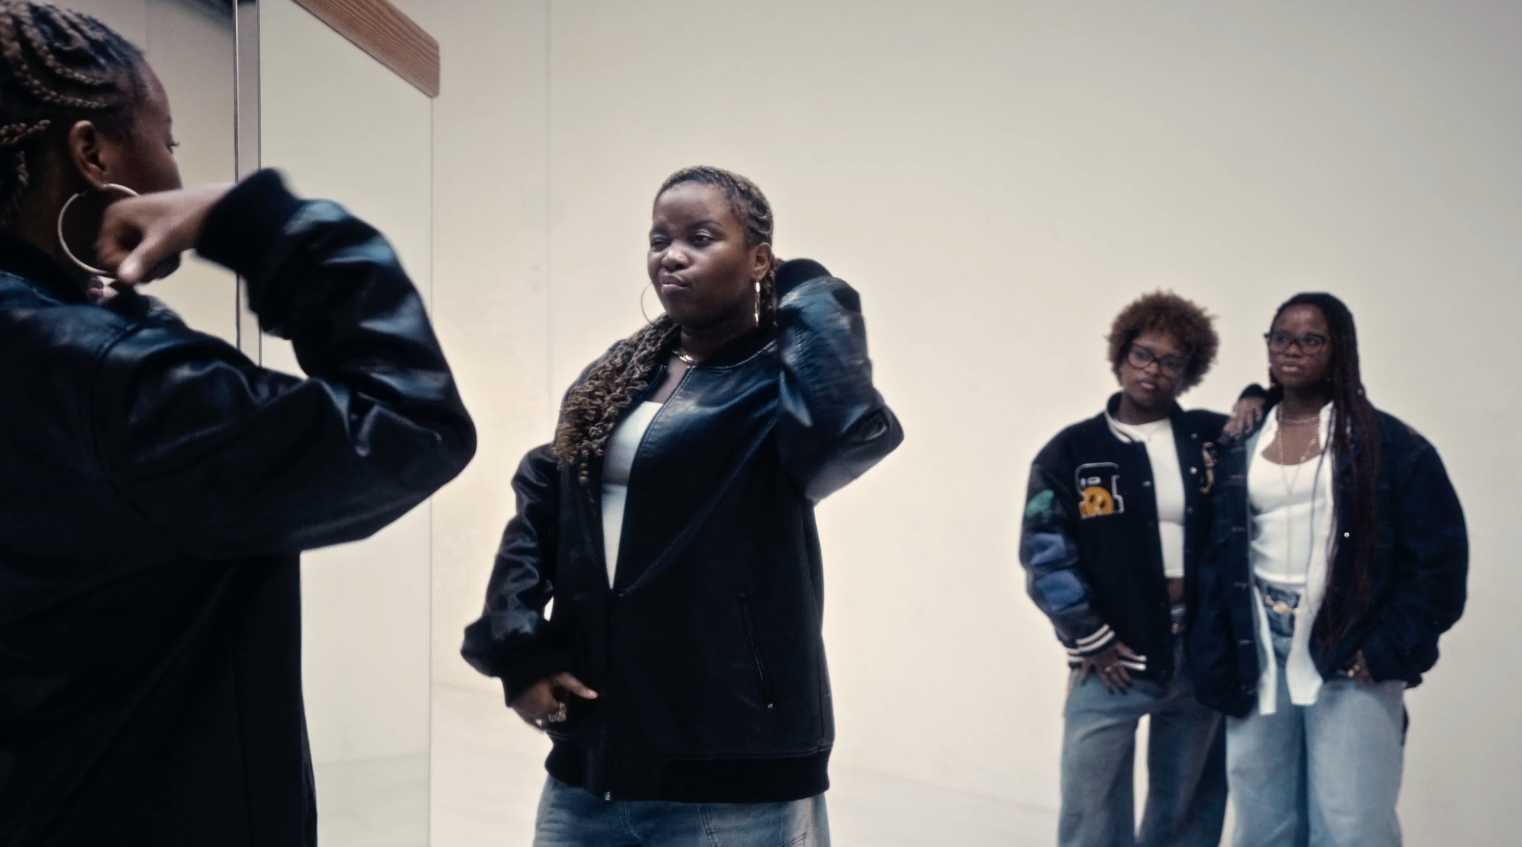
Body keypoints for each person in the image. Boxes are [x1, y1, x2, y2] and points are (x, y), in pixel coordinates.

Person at [0, 4, 475, 844]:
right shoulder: (108, 377)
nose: (176, 167)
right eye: (170, 139)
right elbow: (409, 422)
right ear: (91, 153)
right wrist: (260, 225)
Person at [462, 165, 901, 847]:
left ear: (759, 259)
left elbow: (846, 427)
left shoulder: (781, 385)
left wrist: (808, 285)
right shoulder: (614, 378)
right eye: (659, 238)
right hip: (595, 758)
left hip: (733, 762)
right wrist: (519, 645)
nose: (672, 254)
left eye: (701, 237)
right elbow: (543, 502)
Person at [1191, 293, 1468, 847]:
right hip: (1259, 646)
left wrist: (1387, 648)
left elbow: (1438, 565)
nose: (1292, 350)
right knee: (1263, 820)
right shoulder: (1240, 440)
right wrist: (1216, 647)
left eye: (1311, 339)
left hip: (1348, 641)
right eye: (1280, 338)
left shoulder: (1390, 446)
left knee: (1351, 823)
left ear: (1340, 349)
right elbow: (1218, 557)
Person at [1021, 292, 1267, 847]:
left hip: (1197, 656)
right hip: (1112, 660)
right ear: (1120, 356)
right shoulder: (1072, 451)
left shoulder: (1212, 439)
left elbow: (1285, 418)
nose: (1153, 369)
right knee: (1090, 808)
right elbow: (1043, 550)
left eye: (1171, 360)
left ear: (1189, 371)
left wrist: (1257, 394)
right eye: (1142, 354)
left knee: (1184, 810)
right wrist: (1091, 637)